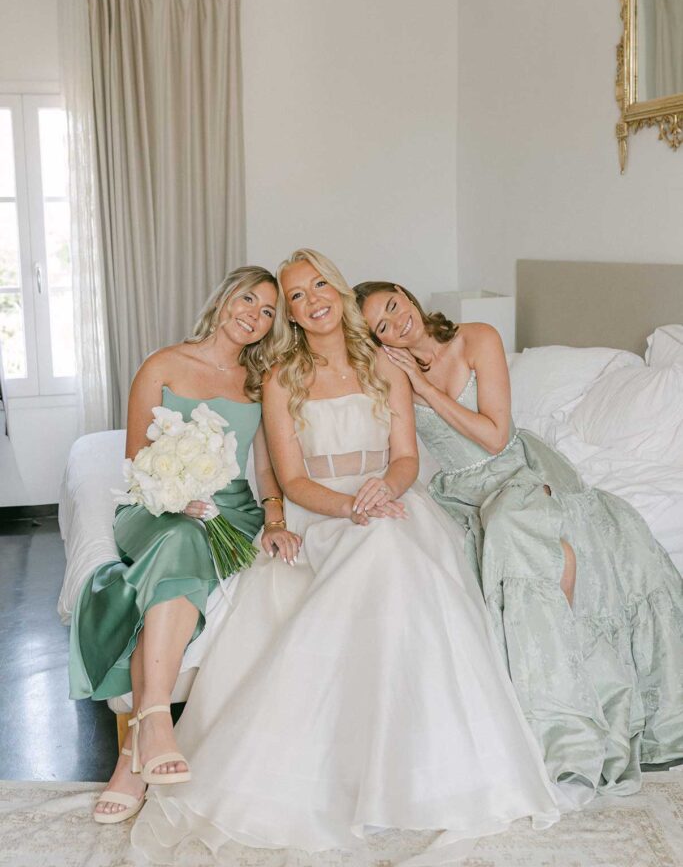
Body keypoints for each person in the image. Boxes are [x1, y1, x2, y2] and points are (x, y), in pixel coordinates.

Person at [132, 249, 558, 866]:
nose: (311, 301)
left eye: (318, 286)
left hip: (387, 500)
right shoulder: (282, 377)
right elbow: (292, 478)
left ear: (338, 288)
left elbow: (406, 456)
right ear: (292, 316)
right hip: (323, 510)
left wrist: (385, 489)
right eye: (296, 297)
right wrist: (345, 509)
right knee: (374, 545)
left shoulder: (384, 366)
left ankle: (414, 772)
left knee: (393, 546)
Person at [355, 279, 683, 805]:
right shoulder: (389, 371)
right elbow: (395, 443)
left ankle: (560, 732)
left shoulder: (476, 338)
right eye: (383, 326)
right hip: (460, 489)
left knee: (520, 540)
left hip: (514, 472)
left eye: (395, 307)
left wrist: (426, 391)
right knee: (423, 551)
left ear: (406, 294)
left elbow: (495, 437)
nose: (399, 323)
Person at [69, 266, 291, 824]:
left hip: (229, 511)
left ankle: (134, 749)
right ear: (223, 299)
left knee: (186, 541)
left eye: (268, 312)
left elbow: (264, 467)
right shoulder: (162, 365)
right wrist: (173, 495)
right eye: (248, 299)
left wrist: (275, 516)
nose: (255, 316)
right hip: (151, 503)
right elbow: (135, 459)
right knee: (178, 533)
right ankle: (158, 722)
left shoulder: (258, 382)